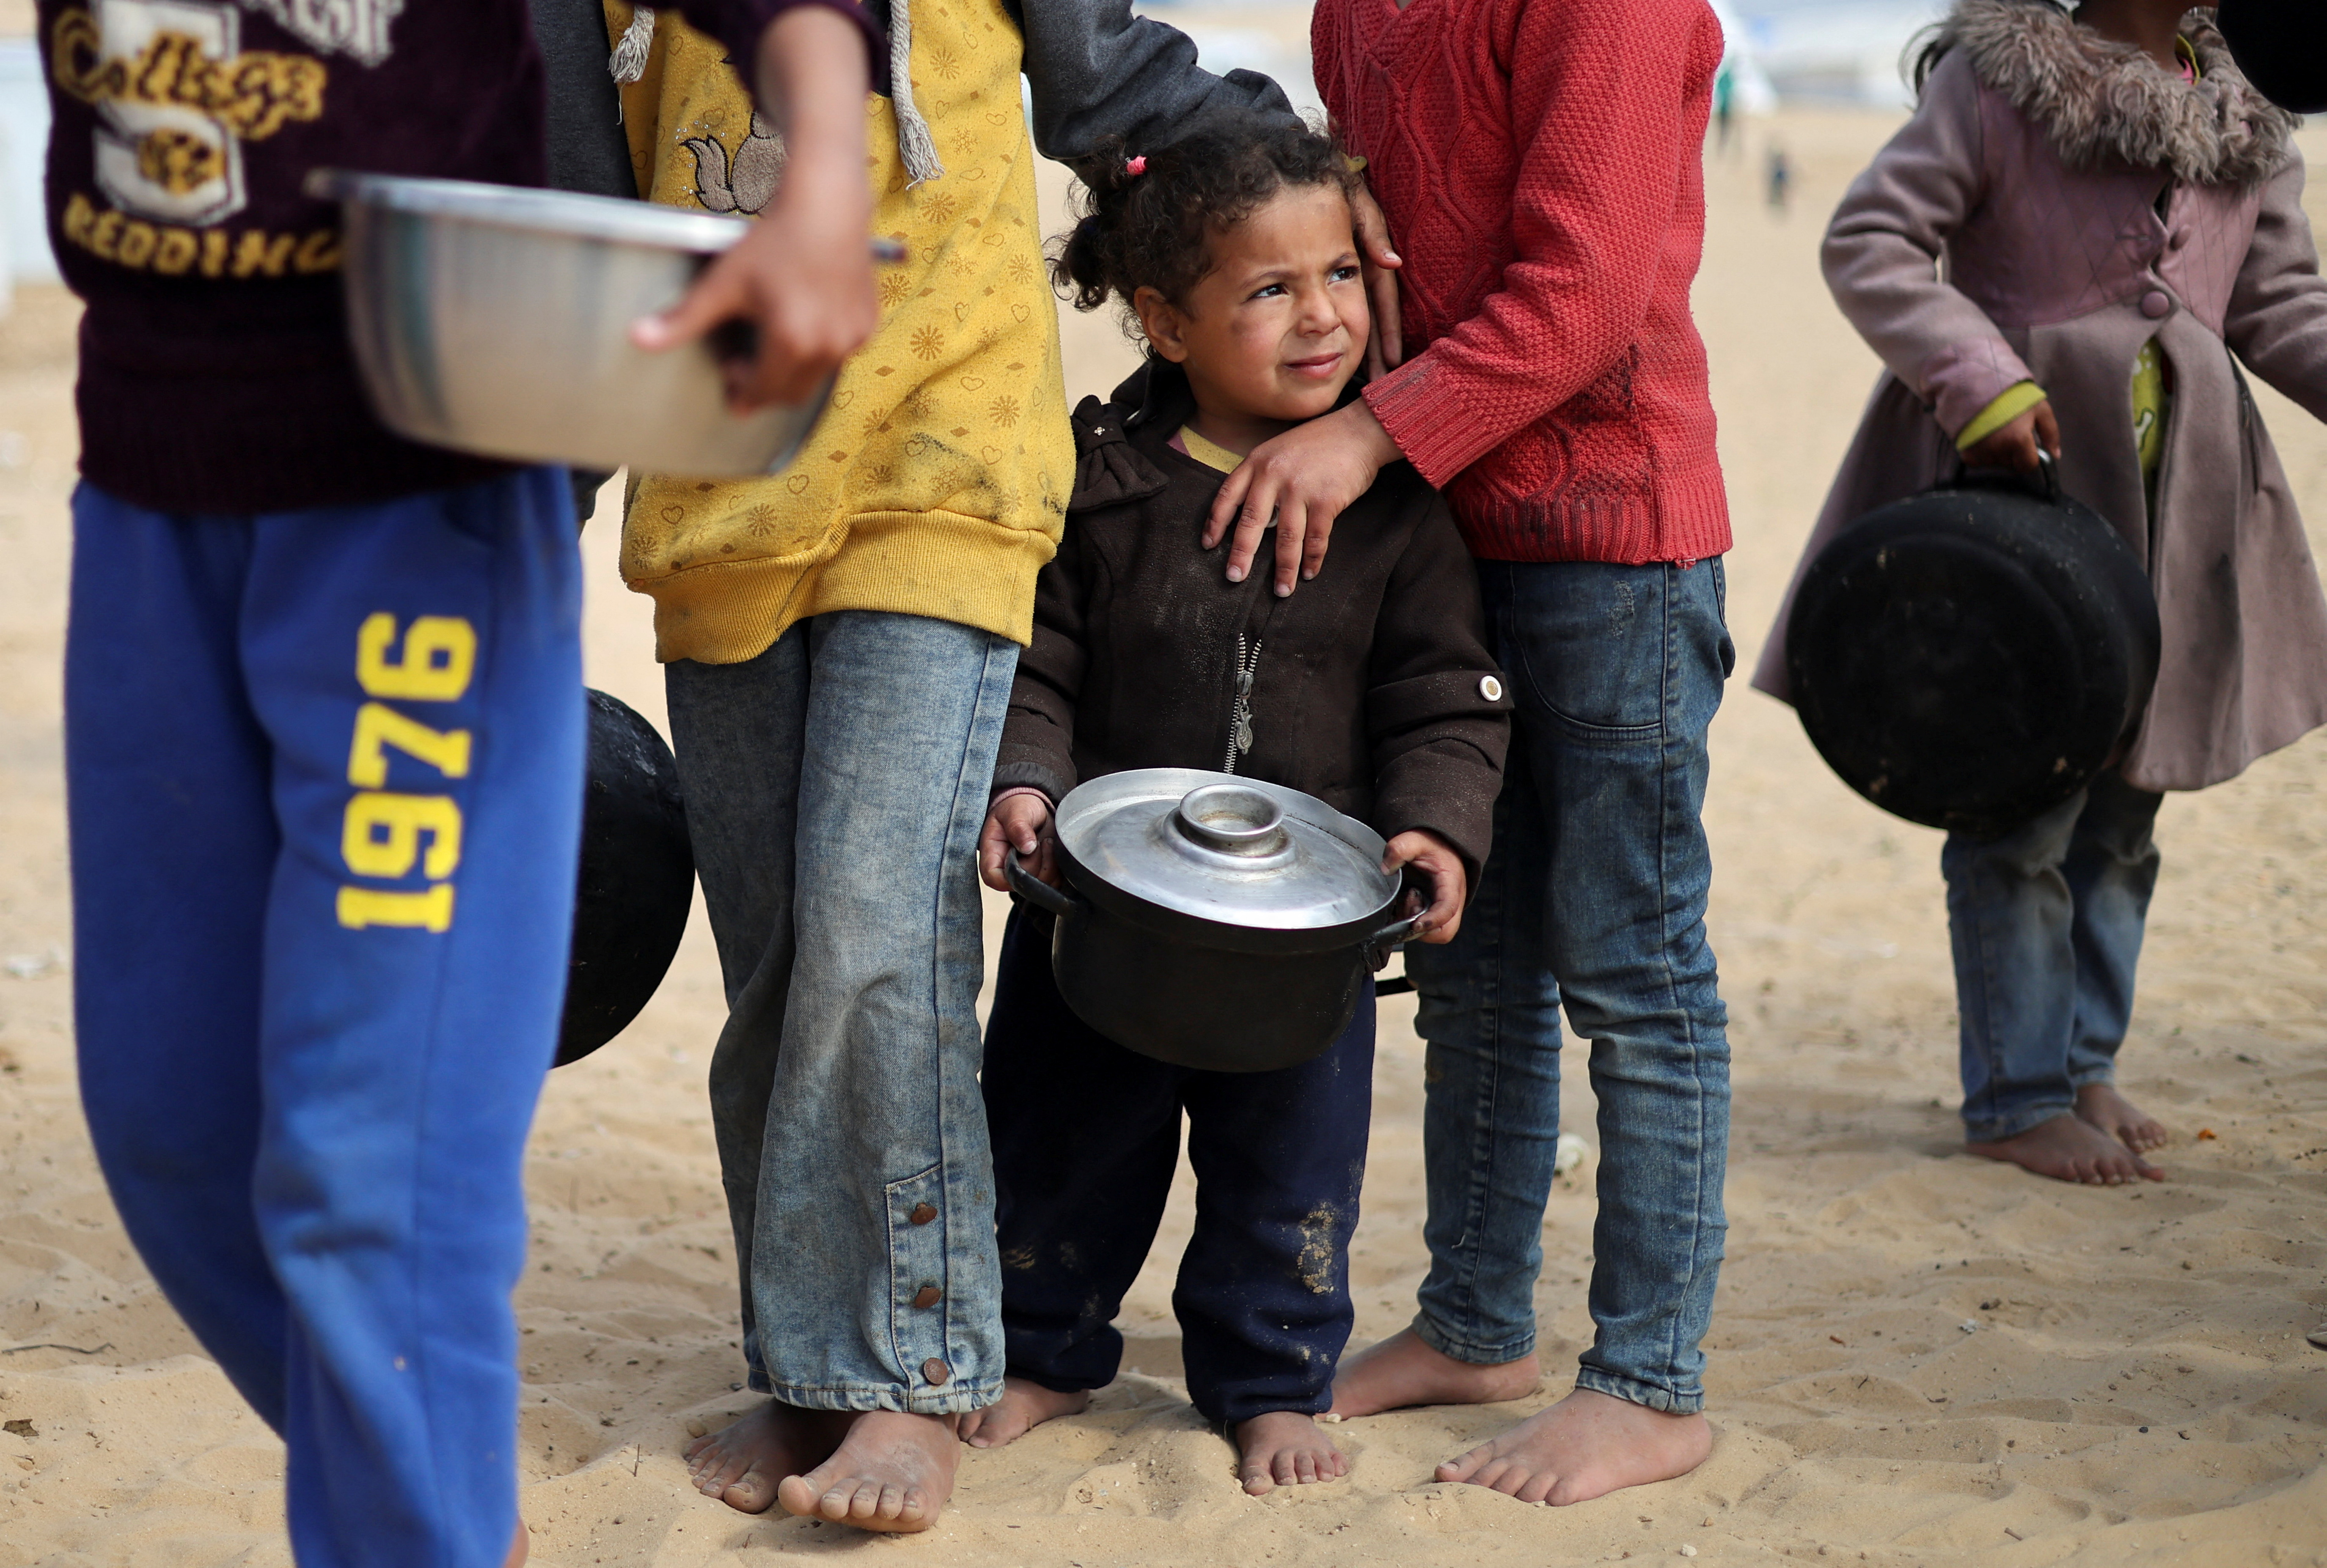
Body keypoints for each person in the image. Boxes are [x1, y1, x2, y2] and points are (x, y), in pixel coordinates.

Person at [44, 1, 886, 1564]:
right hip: (148, 497)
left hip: (412, 496)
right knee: (176, 1130)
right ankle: (440, 1514)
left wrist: (822, 177)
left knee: (373, 1176)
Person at [600, 0, 1404, 1536]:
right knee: (775, 957)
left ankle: (908, 1370)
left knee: (878, 934)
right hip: (716, 481)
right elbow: (577, 190)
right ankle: (811, 1357)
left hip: (945, 464)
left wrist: (1294, 167)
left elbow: (1116, 81)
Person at [1179, 0, 1736, 1512]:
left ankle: (1645, 1380)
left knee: (1632, 965)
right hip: (1441, 548)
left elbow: (1582, 294)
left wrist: (1363, 435)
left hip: (1612, 538)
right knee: (1469, 962)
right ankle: (1476, 1322)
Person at [952, 121, 1511, 1496]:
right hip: (1102, 918)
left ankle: (1268, 1382)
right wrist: (1026, 785)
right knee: (1055, 1140)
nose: (1321, 315)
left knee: (1290, 1174)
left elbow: (1448, 696)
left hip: (1298, 949)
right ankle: (1042, 1349)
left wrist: (1434, 827)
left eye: (1337, 274)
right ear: (1164, 321)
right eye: (1269, 290)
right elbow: (1036, 667)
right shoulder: (1105, 487)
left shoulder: (1395, 514)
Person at [1753, 0, 2327, 1184]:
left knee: (2125, 814)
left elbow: (2277, 306)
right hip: (2021, 511)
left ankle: (2080, 1060)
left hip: (2184, 513)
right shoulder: (1995, 83)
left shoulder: (2250, 111)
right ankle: (2016, 1093)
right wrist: (1977, 376)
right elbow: (1869, 241)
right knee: (2018, 808)